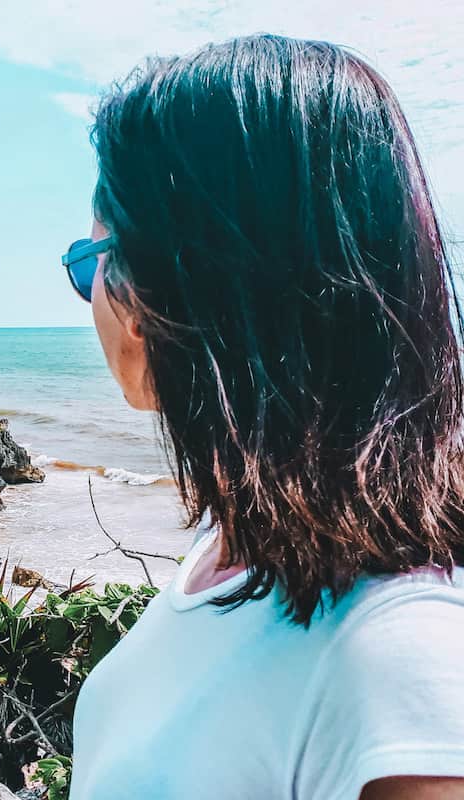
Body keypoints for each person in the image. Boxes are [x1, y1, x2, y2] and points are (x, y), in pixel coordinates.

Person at [62, 35, 464, 800]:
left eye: (93, 262)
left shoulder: (404, 654)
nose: (96, 300)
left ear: (183, 284)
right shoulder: (238, 549)